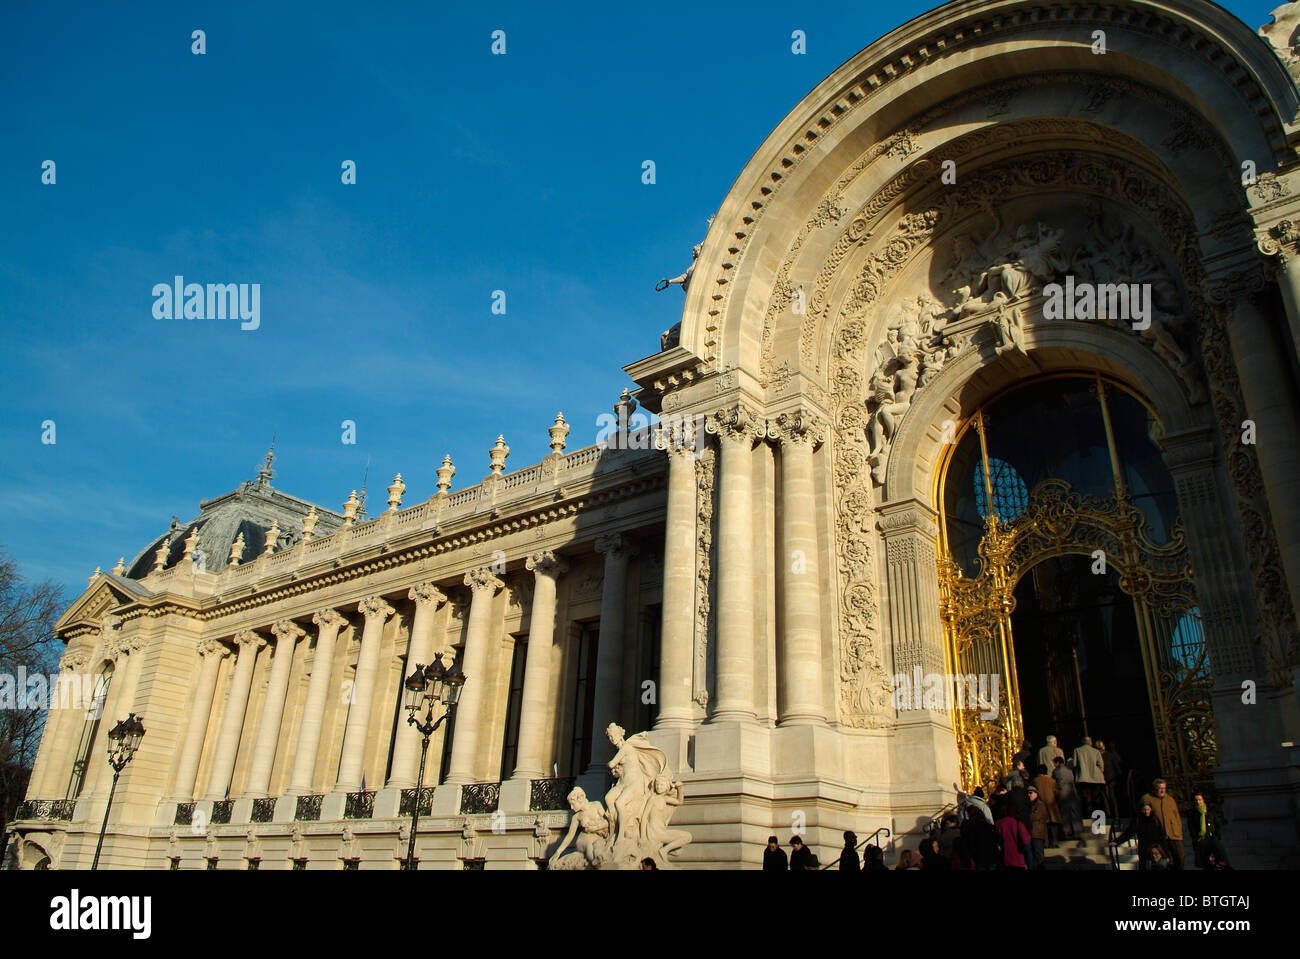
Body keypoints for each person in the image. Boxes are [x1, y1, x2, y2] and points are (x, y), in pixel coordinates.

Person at [1109, 799, 1169, 870]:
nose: (1146, 812)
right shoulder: (1138, 820)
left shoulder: (1155, 820)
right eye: (1144, 810)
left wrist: (1166, 854)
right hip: (1144, 850)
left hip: (1156, 850)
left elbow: (1162, 836)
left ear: (1151, 809)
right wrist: (1117, 841)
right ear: (1141, 810)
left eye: (1148, 809)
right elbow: (1128, 833)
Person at [1141, 779, 1186, 870]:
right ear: (1154, 789)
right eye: (1160, 788)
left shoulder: (1170, 799)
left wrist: (1179, 831)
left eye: (1164, 788)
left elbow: (1176, 816)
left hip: (1174, 834)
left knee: (1181, 856)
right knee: (1162, 860)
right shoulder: (1147, 798)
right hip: (1159, 835)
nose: (1162, 791)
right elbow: (1142, 811)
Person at [1073, 736, 1106, 819]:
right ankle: (1098, 817)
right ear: (1090, 743)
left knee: (1086, 799)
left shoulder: (1077, 750)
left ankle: (1088, 816)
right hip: (1096, 779)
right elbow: (1101, 765)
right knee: (1096, 799)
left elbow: (1074, 764)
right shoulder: (1096, 751)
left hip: (1083, 778)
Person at [961, 803, 999, 870]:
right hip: (991, 857)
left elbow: (969, 842)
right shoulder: (988, 826)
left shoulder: (969, 826)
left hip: (978, 857)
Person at [1190, 793, 1222, 870]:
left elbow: (1217, 824)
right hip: (1201, 840)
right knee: (1205, 863)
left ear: (1203, 800)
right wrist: (1196, 840)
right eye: (1196, 800)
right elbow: (1192, 829)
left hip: (1212, 839)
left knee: (1216, 861)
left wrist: (1217, 837)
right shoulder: (1192, 814)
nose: (1198, 802)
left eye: (1200, 800)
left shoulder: (1210, 811)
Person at [1032, 764, 1062, 847]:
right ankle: (1055, 842)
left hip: (1040, 805)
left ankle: (1046, 843)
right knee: (1054, 824)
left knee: (1044, 825)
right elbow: (1057, 793)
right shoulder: (1051, 780)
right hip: (1051, 804)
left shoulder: (1035, 781)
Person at [994, 804, 1031, 870]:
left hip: (1004, 859)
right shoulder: (1018, 824)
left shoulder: (998, 824)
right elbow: (1026, 840)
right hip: (1018, 859)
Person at [1052, 756, 1080, 838]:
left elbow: (1054, 782)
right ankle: (1076, 831)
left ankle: (1067, 832)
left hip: (1062, 794)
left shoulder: (1056, 771)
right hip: (1071, 793)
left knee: (1064, 814)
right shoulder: (1069, 770)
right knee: (1073, 813)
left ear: (1057, 762)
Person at [1098, 739, 1124, 819]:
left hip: (1104, 779)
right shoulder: (1108, 755)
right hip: (1110, 778)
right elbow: (1116, 765)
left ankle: (1110, 814)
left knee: (1107, 797)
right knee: (1111, 797)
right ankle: (1114, 815)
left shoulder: (1099, 756)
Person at [1027, 783, 1049, 870]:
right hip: (1032, 832)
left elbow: (1038, 816)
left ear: (1036, 793)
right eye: (1028, 793)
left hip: (1037, 833)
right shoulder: (1030, 805)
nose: (1029, 795)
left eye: (1031, 793)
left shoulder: (1040, 804)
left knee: (1038, 853)